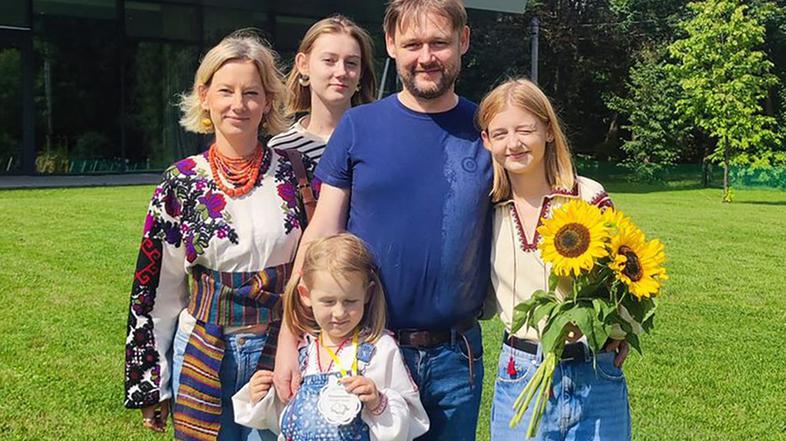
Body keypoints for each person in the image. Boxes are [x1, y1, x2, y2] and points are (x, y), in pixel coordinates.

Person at [273, 1, 492, 440]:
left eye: (439, 43)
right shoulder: (359, 125)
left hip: (456, 357)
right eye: (412, 44)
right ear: (391, 45)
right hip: (365, 352)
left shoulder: (486, 128)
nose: (425, 56)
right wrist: (288, 338)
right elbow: (320, 237)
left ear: (463, 41)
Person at [123, 30, 316, 441]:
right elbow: (157, 289)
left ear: (267, 101)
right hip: (202, 349)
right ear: (205, 96)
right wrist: (152, 383)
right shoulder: (182, 182)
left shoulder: (297, 174)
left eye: (251, 92)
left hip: (279, 349)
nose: (238, 104)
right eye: (226, 90)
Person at [476, 78, 631, 441]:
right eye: (500, 133)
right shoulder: (486, 207)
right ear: (487, 141)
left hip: (595, 370)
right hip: (521, 370)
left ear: (547, 129)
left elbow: (625, 277)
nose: (512, 143)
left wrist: (620, 329)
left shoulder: (587, 197)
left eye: (525, 129)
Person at [232, 233, 429, 440]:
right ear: (306, 295)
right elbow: (283, 419)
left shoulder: (379, 348)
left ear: (367, 295)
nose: (339, 313)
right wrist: (261, 396)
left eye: (350, 301)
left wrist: (378, 402)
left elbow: (411, 420)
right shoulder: (302, 352)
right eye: (328, 301)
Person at [268, 15, 376, 162]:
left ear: (361, 72)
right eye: (329, 60)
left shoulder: (382, 139)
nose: (341, 72)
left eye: (351, 63)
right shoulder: (281, 149)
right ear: (303, 65)